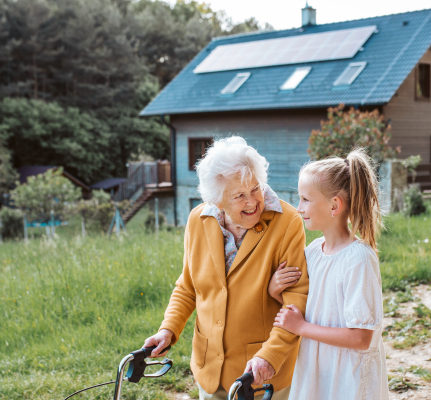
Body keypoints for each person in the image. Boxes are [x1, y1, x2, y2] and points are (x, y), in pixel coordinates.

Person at [142, 136, 309, 400]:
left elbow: (297, 300)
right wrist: (168, 329)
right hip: (209, 369)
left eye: (256, 188)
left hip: (259, 373)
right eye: (239, 195)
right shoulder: (198, 220)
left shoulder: (286, 223)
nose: (252, 201)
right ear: (218, 199)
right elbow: (188, 287)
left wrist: (270, 355)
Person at [272, 149, 389, 400]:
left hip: (349, 379)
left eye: (305, 199)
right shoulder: (313, 252)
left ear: (334, 205)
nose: (298, 207)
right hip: (318, 371)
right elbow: (304, 303)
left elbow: (361, 338)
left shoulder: (359, 259)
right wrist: (275, 290)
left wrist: (301, 327)